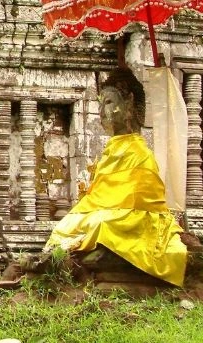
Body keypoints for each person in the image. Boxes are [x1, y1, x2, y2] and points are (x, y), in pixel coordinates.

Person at [45, 68, 187, 287]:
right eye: (100, 104)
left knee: (102, 225)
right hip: (106, 212)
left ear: (129, 104)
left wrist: (105, 214)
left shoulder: (140, 154)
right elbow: (97, 199)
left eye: (109, 102)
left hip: (134, 216)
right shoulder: (110, 152)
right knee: (64, 227)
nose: (102, 111)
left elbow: (140, 206)